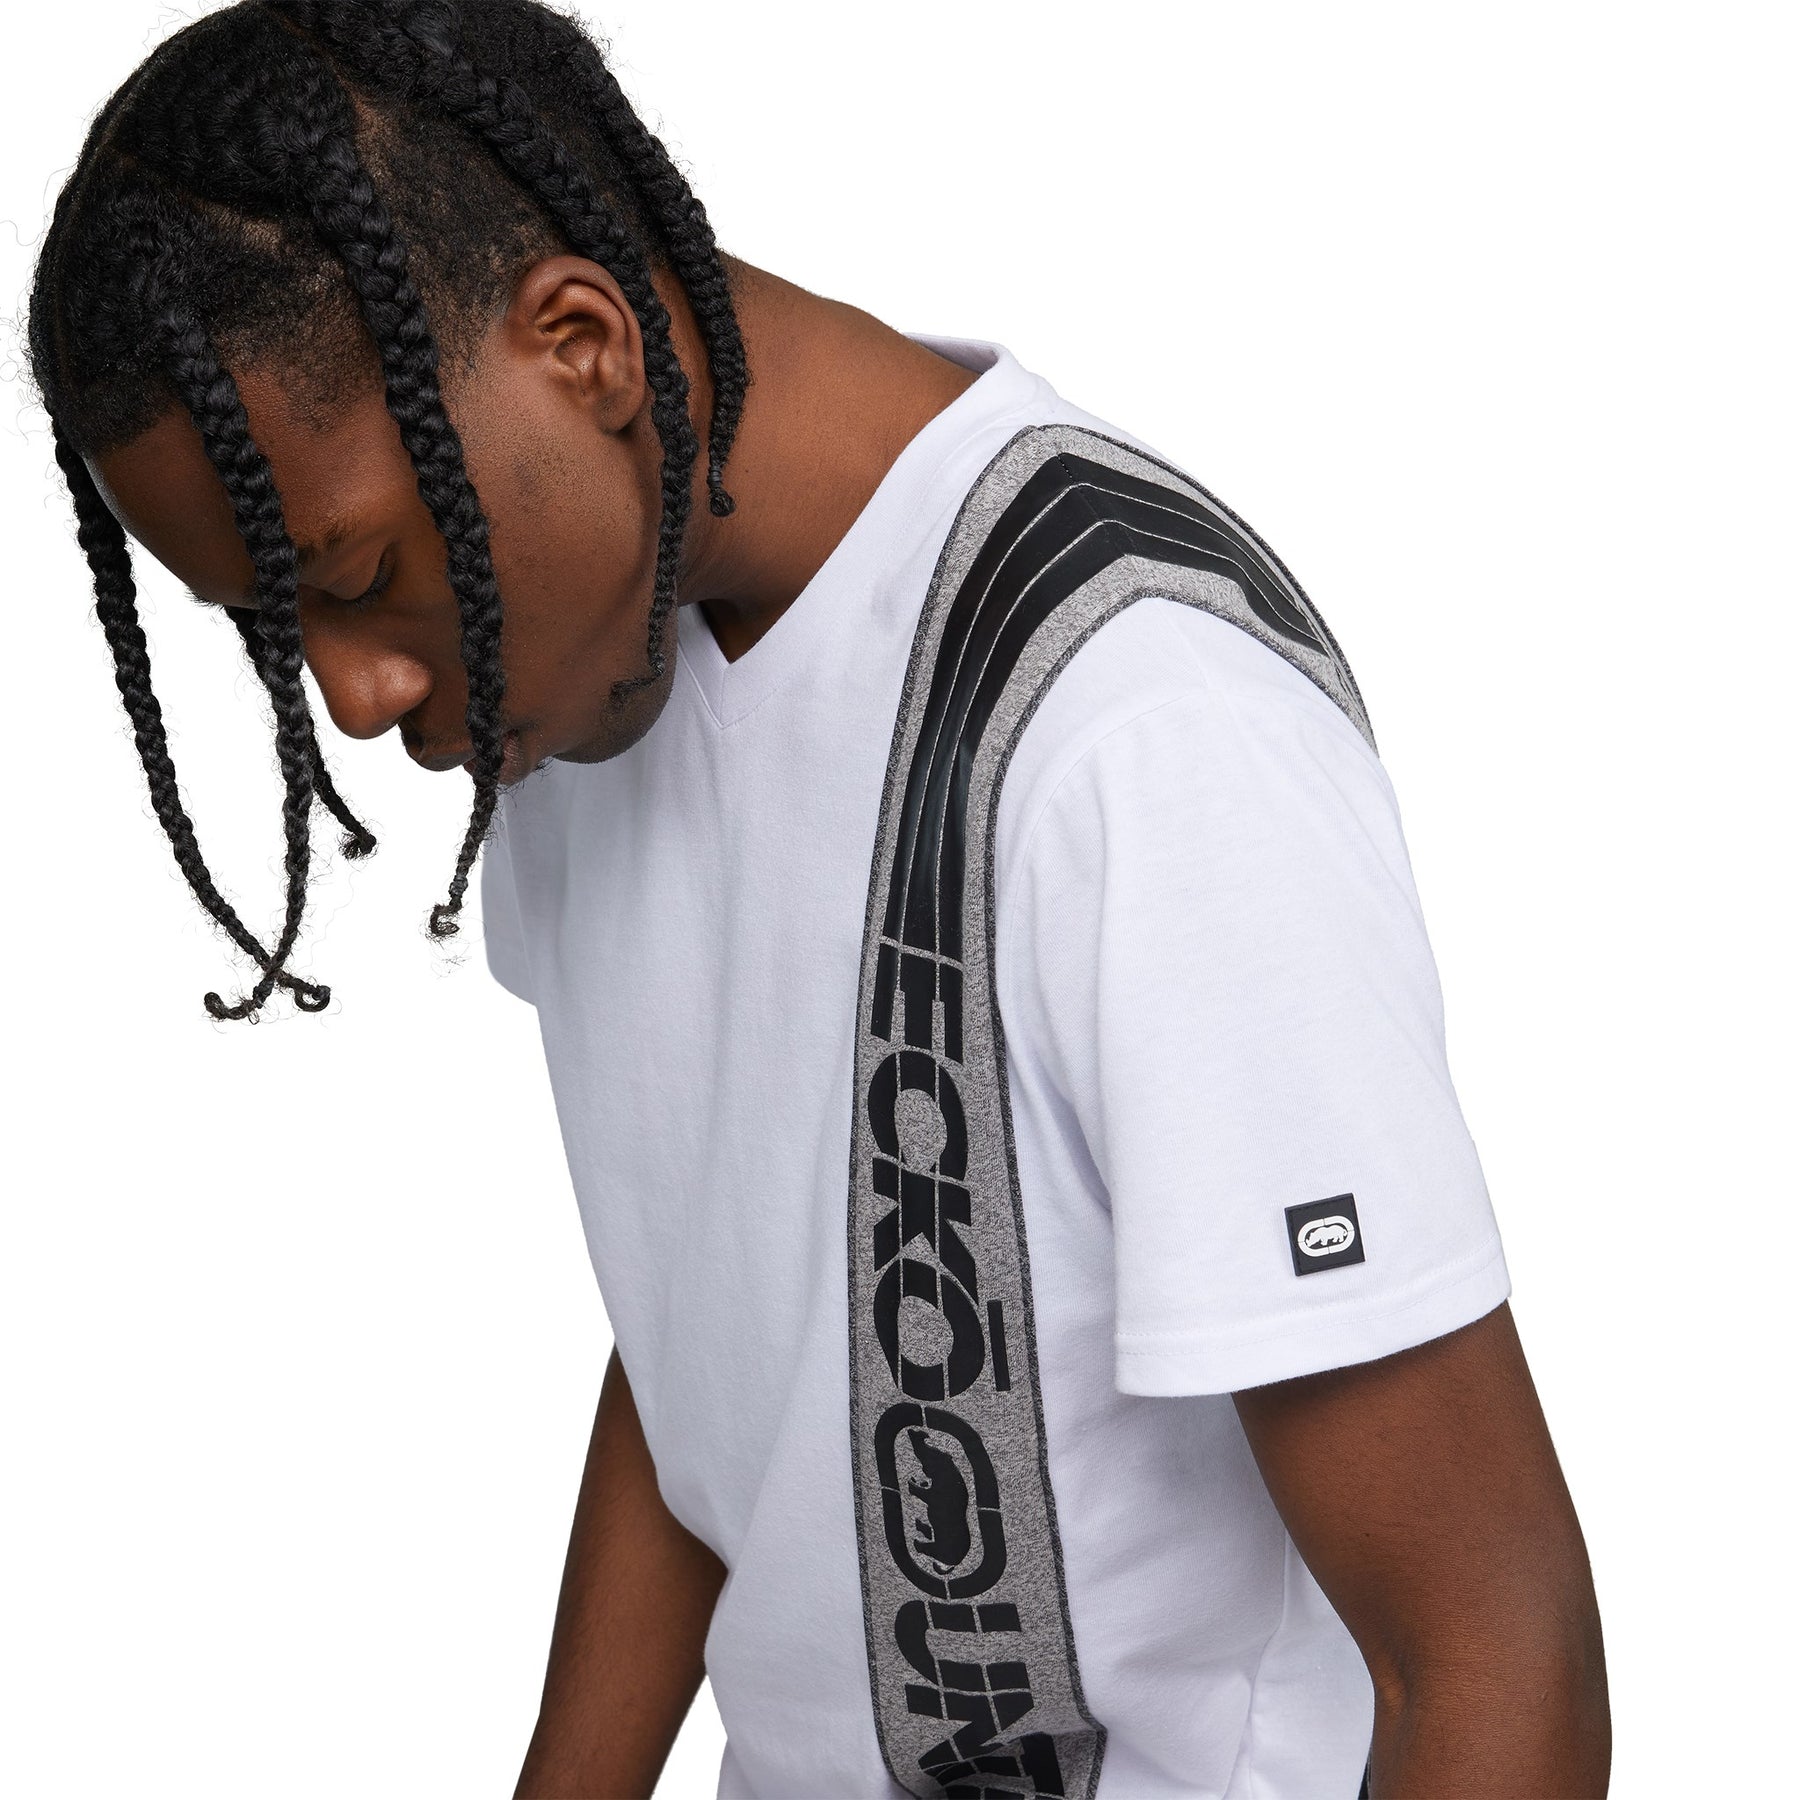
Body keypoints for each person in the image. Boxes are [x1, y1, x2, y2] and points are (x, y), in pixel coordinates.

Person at [27, 2, 1609, 1795]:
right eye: (275, 627)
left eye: (365, 575)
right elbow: (737, 1327)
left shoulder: (1136, 728)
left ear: (580, 347)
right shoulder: (585, 663)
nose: (359, 692)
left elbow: (1498, 1658)